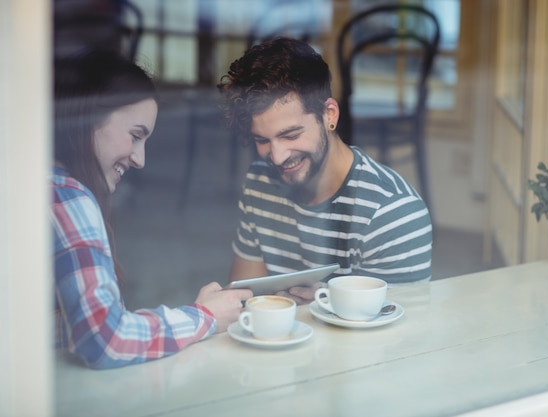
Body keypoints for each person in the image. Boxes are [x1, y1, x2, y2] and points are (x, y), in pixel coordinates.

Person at [52, 49, 252, 369]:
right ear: (88, 117)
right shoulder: (68, 197)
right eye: (134, 136)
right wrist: (205, 316)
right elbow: (104, 338)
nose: (140, 159)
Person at [217, 37, 432, 304]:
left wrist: (327, 306)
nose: (277, 156)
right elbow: (243, 303)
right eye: (262, 140)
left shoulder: (392, 213)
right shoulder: (260, 180)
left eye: (291, 135)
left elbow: (402, 337)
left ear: (329, 114)